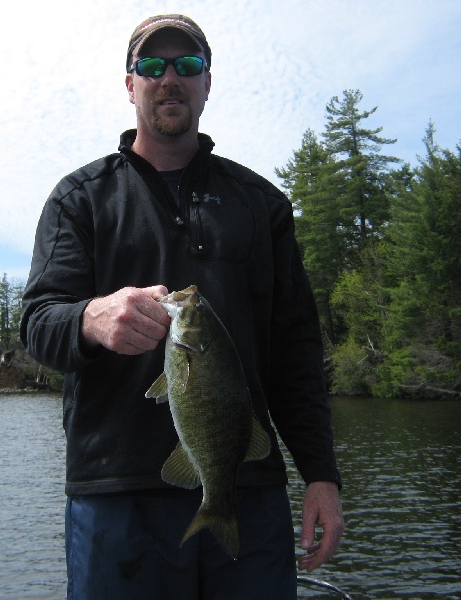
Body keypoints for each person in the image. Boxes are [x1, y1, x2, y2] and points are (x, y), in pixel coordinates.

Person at [20, 14, 343, 599]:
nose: (170, 78)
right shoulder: (80, 199)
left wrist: (320, 474)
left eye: (187, 66)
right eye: (152, 66)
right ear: (130, 83)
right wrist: (89, 318)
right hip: (116, 494)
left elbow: (295, 351)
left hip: (245, 487)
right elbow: (39, 322)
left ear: (207, 83)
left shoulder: (260, 204)